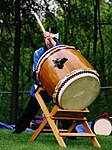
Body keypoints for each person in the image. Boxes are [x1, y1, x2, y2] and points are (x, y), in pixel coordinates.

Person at [13, 27, 77, 138]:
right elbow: (36, 72)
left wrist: (54, 43)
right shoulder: (39, 53)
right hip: (42, 86)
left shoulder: (63, 50)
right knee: (30, 109)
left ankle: (72, 133)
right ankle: (18, 129)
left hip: (59, 88)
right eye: (46, 39)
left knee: (63, 109)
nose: (48, 41)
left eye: (51, 39)